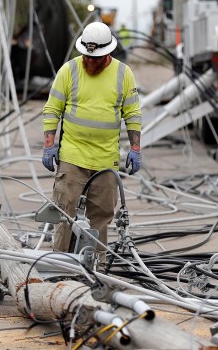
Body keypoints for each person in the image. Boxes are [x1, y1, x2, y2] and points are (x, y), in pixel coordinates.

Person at [42, 21, 142, 265]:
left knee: (101, 217)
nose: (89, 61)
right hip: (73, 156)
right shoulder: (69, 70)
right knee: (65, 212)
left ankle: (94, 266)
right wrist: (49, 144)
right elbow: (52, 109)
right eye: (86, 56)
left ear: (107, 53)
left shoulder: (123, 74)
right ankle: (60, 266)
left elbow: (132, 113)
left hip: (106, 159)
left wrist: (135, 149)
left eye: (95, 58)